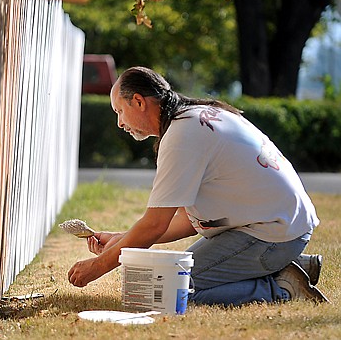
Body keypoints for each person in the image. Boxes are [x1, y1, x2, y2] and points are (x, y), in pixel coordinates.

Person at [67, 66, 329, 305]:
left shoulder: (182, 135)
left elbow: (155, 224)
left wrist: (97, 266)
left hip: (275, 234)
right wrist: (122, 239)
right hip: (281, 226)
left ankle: (282, 289)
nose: (119, 123)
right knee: (170, 279)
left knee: (173, 290)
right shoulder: (193, 119)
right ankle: (292, 264)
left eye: (119, 111)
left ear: (138, 101)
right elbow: (185, 219)